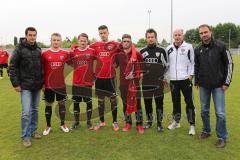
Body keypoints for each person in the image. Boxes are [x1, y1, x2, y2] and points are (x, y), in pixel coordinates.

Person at [195, 24, 233, 148]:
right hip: (204, 85)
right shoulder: (198, 48)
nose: (203, 35)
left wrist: (226, 82)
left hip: (218, 86)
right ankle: (206, 131)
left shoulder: (221, 46)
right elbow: (197, 66)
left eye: (205, 32)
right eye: (201, 33)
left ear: (210, 32)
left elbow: (230, 64)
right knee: (204, 111)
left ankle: (222, 137)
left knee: (220, 113)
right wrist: (197, 81)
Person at [9, 27, 43, 147]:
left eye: (34, 35)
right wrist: (15, 84)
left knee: (35, 110)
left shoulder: (39, 49)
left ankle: (33, 131)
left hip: (37, 85)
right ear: (26, 35)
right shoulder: (19, 49)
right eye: (30, 35)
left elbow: (41, 68)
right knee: (26, 112)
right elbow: (12, 67)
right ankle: (25, 136)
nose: (32, 37)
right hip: (25, 86)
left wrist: (42, 83)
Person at [90, 25, 120, 131]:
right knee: (100, 101)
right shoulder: (94, 46)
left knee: (113, 100)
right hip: (99, 78)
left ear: (108, 33)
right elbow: (84, 50)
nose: (103, 35)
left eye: (104, 33)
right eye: (101, 33)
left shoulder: (115, 44)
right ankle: (102, 122)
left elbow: (128, 47)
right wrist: (74, 47)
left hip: (111, 78)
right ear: (99, 34)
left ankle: (115, 122)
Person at [166, 29, 196, 135]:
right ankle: (176, 122)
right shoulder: (169, 48)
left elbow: (193, 62)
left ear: (182, 35)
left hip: (185, 79)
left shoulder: (188, 47)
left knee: (189, 102)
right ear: (173, 36)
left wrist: (191, 75)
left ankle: (192, 125)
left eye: (179, 35)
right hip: (173, 80)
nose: (177, 37)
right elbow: (167, 64)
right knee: (176, 102)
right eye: (175, 35)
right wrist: (166, 77)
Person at [140, 28, 168, 132]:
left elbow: (167, 66)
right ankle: (149, 121)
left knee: (159, 103)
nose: (150, 39)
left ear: (156, 38)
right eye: (148, 37)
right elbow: (139, 67)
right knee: (147, 103)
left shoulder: (162, 51)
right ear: (146, 38)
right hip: (146, 82)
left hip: (158, 82)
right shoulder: (142, 51)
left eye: (152, 37)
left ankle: (160, 124)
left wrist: (163, 76)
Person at [42, 33, 70, 136]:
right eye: (54, 40)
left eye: (58, 40)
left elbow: (72, 62)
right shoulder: (45, 54)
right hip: (48, 85)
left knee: (62, 105)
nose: (56, 42)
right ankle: (48, 126)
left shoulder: (65, 54)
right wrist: (42, 84)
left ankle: (63, 124)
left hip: (61, 85)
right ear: (51, 40)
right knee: (48, 105)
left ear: (61, 41)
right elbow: (42, 70)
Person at [116, 34, 144, 134]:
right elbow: (114, 65)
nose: (126, 43)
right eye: (124, 41)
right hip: (123, 84)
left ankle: (139, 124)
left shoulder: (137, 54)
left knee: (138, 104)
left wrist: (137, 74)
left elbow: (143, 68)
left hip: (135, 84)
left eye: (128, 41)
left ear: (131, 42)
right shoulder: (118, 54)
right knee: (125, 104)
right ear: (122, 42)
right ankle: (128, 123)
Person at [70, 33, 95, 130]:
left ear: (87, 41)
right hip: (76, 82)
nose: (83, 42)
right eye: (81, 40)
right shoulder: (73, 52)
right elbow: (69, 63)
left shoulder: (92, 51)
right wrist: (74, 47)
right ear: (78, 41)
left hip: (87, 83)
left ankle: (89, 122)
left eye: (85, 41)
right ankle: (77, 122)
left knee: (88, 103)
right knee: (76, 103)